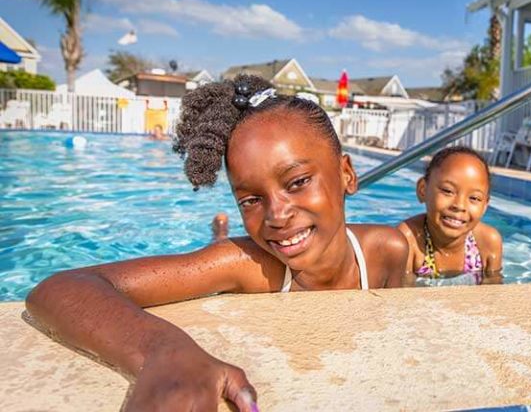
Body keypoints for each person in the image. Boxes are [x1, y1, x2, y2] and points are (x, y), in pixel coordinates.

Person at [24, 75, 409, 412]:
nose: (276, 214)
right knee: (223, 244)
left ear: (347, 174)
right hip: (234, 255)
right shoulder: (246, 264)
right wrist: (164, 350)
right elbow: (60, 288)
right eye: (251, 200)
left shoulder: (389, 250)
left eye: (297, 183)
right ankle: (220, 232)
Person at [397, 146, 503, 285]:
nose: (459, 205)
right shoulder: (408, 241)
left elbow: (494, 295)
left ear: (485, 206)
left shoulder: (488, 241)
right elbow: (400, 298)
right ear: (423, 190)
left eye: (474, 198)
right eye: (447, 191)